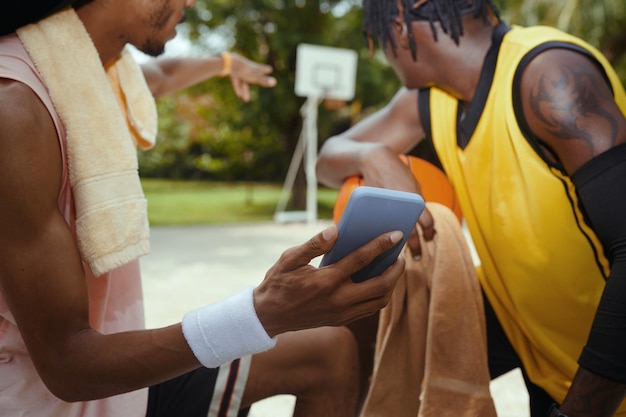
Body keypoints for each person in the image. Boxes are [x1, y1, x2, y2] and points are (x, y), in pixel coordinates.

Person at [0, 1, 406, 416]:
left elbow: (162, 76)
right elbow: (68, 366)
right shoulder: (14, 104)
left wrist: (226, 63)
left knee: (328, 351)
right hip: (49, 399)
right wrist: (259, 314)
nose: (191, 2)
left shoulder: (91, 72)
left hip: (117, 386)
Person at [316, 0, 626, 416]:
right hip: (536, 339)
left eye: (376, 34)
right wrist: (373, 155)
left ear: (402, 22)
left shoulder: (548, 75)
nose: (380, 50)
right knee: (352, 336)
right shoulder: (432, 99)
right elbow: (328, 158)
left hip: (603, 374)